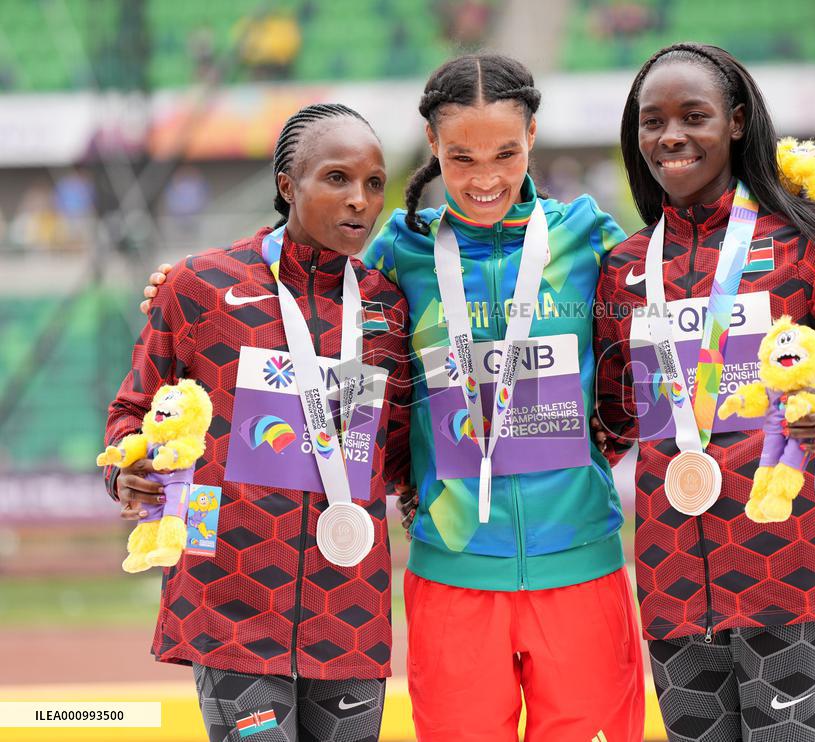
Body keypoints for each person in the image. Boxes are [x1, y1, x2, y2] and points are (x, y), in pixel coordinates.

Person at [148, 52, 645, 742]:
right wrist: (186, 287)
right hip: (452, 574)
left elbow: (644, 352)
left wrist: (591, 458)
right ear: (433, 146)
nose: (486, 177)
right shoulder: (395, 257)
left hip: (583, 565)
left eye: (505, 152)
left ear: (532, 136)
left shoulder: (589, 237)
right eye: (462, 157)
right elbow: (306, 298)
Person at [594, 43, 815, 742]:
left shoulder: (805, 244)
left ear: (738, 122)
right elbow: (613, 420)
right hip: (672, 577)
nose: (671, 136)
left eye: (694, 116)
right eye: (652, 122)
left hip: (791, 575)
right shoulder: (623, 270)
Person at [105, 103, 411, 742]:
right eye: (337, 178)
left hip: (347, 602)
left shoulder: (386, 305)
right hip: (230, 602)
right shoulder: (201, 287)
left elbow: (400, 450)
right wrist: (127, 469)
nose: (360, 200)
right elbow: (133, 411)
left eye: (374, 183)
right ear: (286, 186)